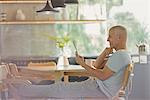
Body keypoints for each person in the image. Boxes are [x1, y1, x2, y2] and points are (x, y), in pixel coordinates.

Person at [8, 25, 132, 99]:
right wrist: (105, 52)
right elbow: (96, 66)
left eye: (110, 36)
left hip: (98, 89)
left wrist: (82, 64)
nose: (107, 39)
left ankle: (20, 91)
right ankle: (22, 91)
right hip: (96, 86)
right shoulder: (122, 55)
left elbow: (101, 75)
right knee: (58, 88)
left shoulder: (120, 55)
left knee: (58, 88)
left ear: (119, 37)